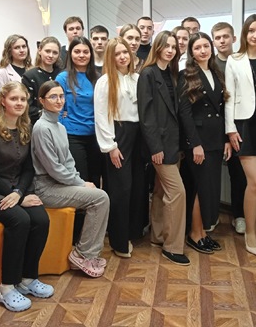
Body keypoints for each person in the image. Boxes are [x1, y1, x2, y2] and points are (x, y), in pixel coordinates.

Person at [0, 81, 52, 311]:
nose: (19, 103)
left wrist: (20, 193)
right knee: (20, 219)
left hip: (16, 190)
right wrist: (18, 197)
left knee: (41, 219)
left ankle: (28, 278)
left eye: (23, 99)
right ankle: (6, 287)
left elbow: (28, 169)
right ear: (3, 101)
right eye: (14, 99)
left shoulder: (26, 127)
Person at [32, 80, 110, 278]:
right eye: (53, 97)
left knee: (99, 194)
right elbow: (53, 168)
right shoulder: (41, 128)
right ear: (42, 100)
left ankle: (88, 253)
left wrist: (79, 181)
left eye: (61, 96)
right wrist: (81, 183)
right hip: (46, 188)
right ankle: (83, 255)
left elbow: (68, 162)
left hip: (60, 184)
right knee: (100, 198)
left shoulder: (60, 126)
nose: (59, 100)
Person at [137, 30, 189, 265]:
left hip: (173, 144)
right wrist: (155, 147)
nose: (170, 50)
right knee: (177, 193)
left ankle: (158, 236)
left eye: (173, 46)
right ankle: (173, 247)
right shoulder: (147, 74)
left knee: (160, 191)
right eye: (166, 46)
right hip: (159, 146)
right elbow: (146, 116)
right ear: (157, 47)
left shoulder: (172, 73)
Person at [226, 14, 256, 256]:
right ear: (245, 34)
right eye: (251, 31)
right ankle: (250, 233)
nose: (255, 35)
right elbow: (228, 96)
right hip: (243, 125)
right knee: (254, 182)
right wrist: (230, 129)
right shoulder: (234, 60)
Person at [178, 32, 231, 254]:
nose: (203, 50)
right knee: (200, 188)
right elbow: (185, 113)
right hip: (199, 142)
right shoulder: (185, 75)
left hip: (216, 138)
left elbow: (223, 108)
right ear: (191, 52)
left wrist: (226, 139)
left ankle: (203, 232)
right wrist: (195, 144)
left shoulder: (217, 72)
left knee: (209, 189)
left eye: (206, 46)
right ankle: (194, 233)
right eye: (198, 47)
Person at [94, 37, 146, 258]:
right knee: (121, 189)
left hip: (138, 135)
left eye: (125, 52)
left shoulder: (137, 78)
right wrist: (110, 146)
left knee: (137, 187)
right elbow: (101, 116)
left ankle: (133, 232)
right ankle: (119, 241)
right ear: (110, 57)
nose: (123, 56)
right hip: (119, 136)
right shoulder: (105, 81)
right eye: (117, 53)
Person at [211, 22, 245, 233]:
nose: (222, 41)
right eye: (218, 37)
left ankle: (239, 215)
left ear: (234, 38)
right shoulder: (210, 65)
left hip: (238, 126)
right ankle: (211, 215)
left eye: (225, 36)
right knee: (212, 176)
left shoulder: (241, 61)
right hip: (216, 130)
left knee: (238, 174)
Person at [55, 36, 102, 187]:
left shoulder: (97, 77)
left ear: (91, 54)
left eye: (85, 52)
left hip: (95, 135)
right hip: (73, 136)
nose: (81, 55)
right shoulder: (63, 77)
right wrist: (62, 127)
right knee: (81, 179)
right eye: (77, 51)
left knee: (96, 177)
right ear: (70, 54)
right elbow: (57, 108)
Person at [22, 36, 63, 125]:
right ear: (40, 50)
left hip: (61, 123)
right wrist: (49, 114)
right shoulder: (29, 76)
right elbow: (27, 106)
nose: (51, 55)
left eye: (55, 53)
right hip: (38, 123)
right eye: (47, 51)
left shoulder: (62, 75)